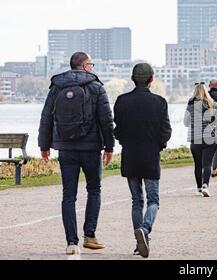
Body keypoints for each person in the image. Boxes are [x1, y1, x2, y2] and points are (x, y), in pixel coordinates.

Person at [38, 52, 115, 255]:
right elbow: (106, 120)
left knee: (68, 196)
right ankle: (90, 236)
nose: (92, 67)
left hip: (66, 149)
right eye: (91, 64)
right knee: (94, 190)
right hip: (90, 149)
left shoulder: (57, 86)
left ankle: (72, 242)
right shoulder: (96, 87)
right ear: (84, 66)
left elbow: (46, 117)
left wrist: (44, 146)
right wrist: (109, 147)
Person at [113, 63, 172, 258]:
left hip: (130, 155)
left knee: (136, 200)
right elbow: (166, 131)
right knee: (153, 200)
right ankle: (145, 230)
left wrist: (125, 142)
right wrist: (159, 145)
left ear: (132, 78)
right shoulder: (160, 102)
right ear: (151, 79)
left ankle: (140, 242)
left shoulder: (121, 101)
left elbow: (118, 130)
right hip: (150, 155)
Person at [184, 83, 217, 197]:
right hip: (210, 138)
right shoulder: (213, 104)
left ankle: (199, 188)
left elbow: (186, 122)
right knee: (207, 164)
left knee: (197, 165)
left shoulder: (190, 105)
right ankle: (206, 185)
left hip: (195, 138)